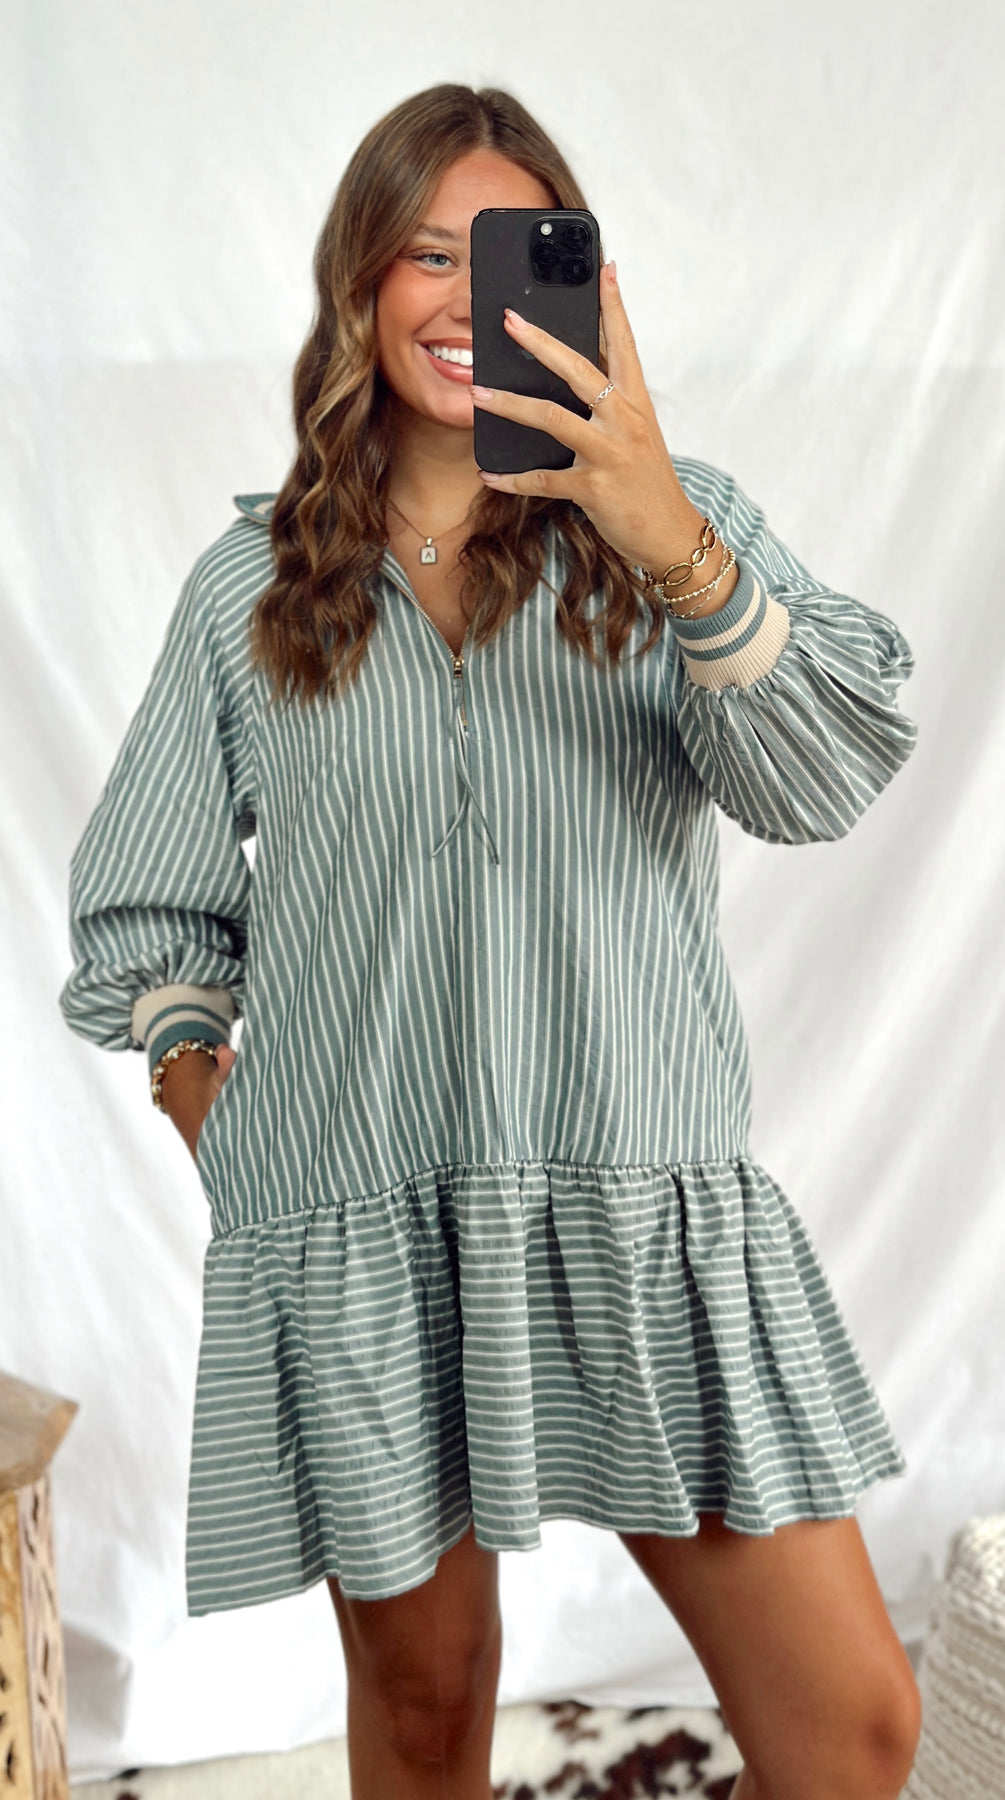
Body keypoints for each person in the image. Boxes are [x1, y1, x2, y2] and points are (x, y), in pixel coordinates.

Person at [60, 81, 922, 1800]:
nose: (463, 295)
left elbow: (826, 772)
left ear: (579, 284)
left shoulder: (675, 528)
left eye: (509, 251)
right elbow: (148, 893)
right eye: (423, 251)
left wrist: (662, 527)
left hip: (637, 1207)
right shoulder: (252, 589)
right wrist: (205, 1092)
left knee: (852, 1724)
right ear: (359, 283)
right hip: (361, 1232)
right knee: (426, 1707)